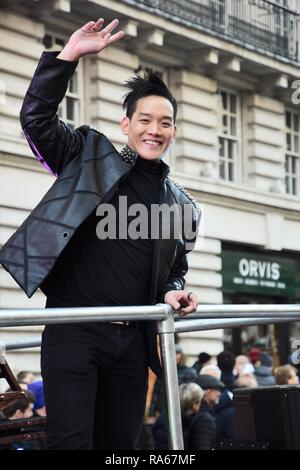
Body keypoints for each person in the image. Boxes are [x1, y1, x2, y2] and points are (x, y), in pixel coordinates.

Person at [0, 18, 200, 450]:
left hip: (133, 342)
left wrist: (173, 292)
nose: (155, 130)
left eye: (164, 123)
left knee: (123, 448)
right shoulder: (89, 156)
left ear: (174, 133)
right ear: (125, 124)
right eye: (144, 120)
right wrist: (68, 56)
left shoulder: (183, 205)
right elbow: (36, 120)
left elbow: (175, 272)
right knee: (70, 442)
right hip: (73, 331)